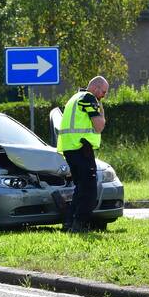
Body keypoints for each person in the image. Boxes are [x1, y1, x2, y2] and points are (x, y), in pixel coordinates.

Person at [54, 76, 108, 232]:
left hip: (70, 148)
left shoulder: (75, 98)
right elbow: (99, 126)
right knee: (89, 189)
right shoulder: (88, 98)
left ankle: (69, 223)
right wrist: (101, 110)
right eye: (103, 92)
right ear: (96, 88)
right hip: (81, 147)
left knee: (80, 188)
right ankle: (80, 224)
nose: (104, 96)